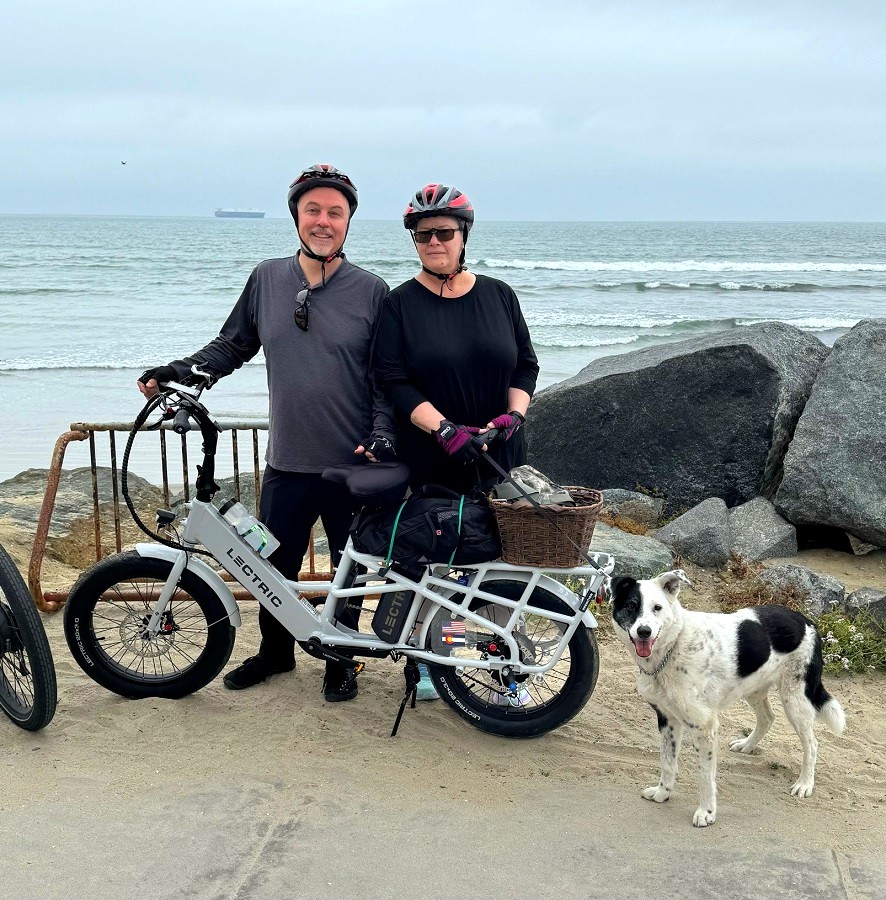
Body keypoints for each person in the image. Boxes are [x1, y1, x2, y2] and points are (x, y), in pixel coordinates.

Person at [138, 164, 395, 702]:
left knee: (349, 571)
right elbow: (232, 345)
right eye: (313, 211)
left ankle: (341, 660)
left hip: (353, 464)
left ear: (348, 222)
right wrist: (181, 372)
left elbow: (386, 378)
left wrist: (381, 435)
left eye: (335, 213)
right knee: (272, 567)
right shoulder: (267, 278)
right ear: (297, 216)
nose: (323, 221)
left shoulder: (372, 291)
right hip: (288, 459)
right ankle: (275, 653)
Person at [374, 183, 539, 700]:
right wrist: (443, 430)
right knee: (439, 570)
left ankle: (502, 666)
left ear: (463, 235)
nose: (433, 243)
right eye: (422, 236)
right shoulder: (400, 305)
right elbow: (394, 380)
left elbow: (526, 366)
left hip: (500, 460)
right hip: (435, 460)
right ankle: (434, 662)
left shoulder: (499, 295)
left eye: (443, 233)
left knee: (501, 568)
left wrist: (512, 417)